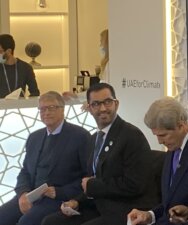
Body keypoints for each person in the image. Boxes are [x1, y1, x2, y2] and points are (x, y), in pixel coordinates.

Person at [42, 83, 159, 225]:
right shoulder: (93, 139)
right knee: (51, 222)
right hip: (100, 205)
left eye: (108, 102)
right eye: (96, 104)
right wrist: (76, 201)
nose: (103, 108)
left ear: (116, 104)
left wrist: (93, 186)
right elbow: (92, 181)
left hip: (126, 208)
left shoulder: (131, 136)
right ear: (90, 108)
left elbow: (135, 184)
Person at [128, 97, 188, 225]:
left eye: (162, 135)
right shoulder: (174, 146)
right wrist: (149, 216)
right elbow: (169, 203)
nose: (159, 141)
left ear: (181, 125)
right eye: (156, 135)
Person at [0, 91, 91, 225]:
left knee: (26, 222)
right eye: (42, 109)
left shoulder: (80, 136)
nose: (46, 112)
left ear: (62, 110)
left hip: (57, 197)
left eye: (52, 108)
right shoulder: (34, 137)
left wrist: (60, 192)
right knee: (2, 216)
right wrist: (22, 194)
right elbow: (25, 170)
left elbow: (88, 177)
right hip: (31, 194)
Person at [0, 34, 40, 98]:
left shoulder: (26, 68)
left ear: (9, 51)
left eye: (0, 51)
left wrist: (25, 103)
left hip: (19, 106)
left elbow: (35, 92)